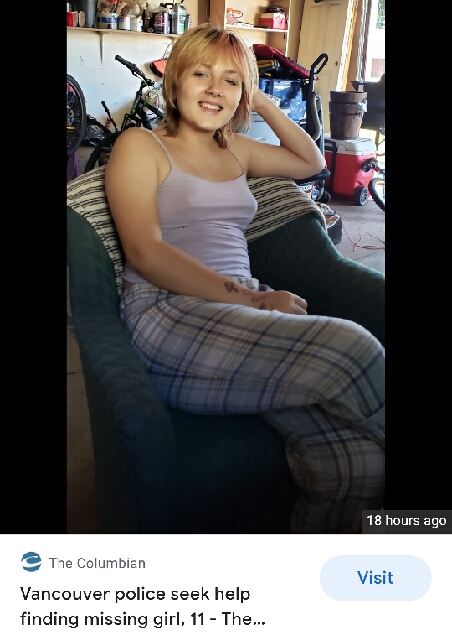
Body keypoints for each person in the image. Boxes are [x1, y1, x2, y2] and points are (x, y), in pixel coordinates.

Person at [105, 24, 385, 534]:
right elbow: (145, 252)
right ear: (174, 82)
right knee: (355, 349)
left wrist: (261, 101)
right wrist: (253, 301)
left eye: (231, 80)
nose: (215, 88)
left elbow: (311, 161)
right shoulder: (140, 145)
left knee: (354, 460)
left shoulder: (237, 149)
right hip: (167, 311)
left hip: (239, 303)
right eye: (201, 73)